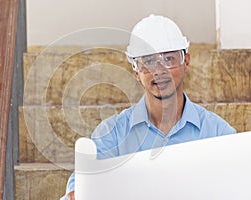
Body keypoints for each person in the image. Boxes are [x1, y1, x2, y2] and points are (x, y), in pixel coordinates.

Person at [61, 14, 236, 200]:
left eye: (169, 59)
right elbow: (81, 188)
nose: (159, 71)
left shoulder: (218, 133)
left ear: (186, 62)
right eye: (149, 62)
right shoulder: (112, 135)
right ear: (136, 71)